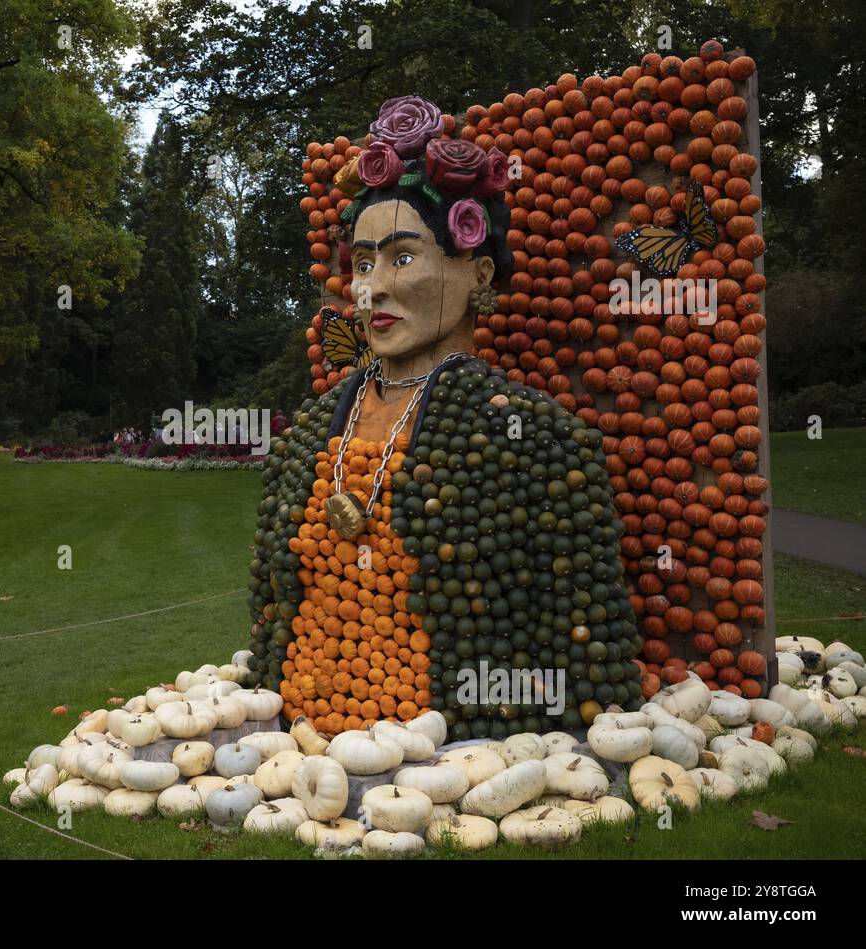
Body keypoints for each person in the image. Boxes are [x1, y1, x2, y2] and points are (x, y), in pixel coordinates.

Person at [245, 96, 642, 740]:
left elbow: (577, 615)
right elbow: (273, 591)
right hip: (301, 723)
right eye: (364, 264)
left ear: (477, 271)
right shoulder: (316, 428)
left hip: (445, 735)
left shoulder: (533, 435)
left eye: (402, 257)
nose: (372, 288)